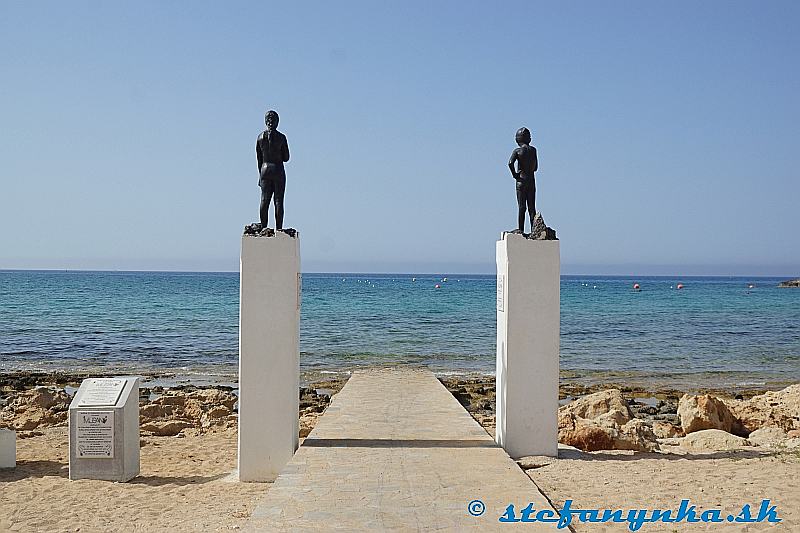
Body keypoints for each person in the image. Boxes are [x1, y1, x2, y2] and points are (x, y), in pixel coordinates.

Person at [256, 110, 290, 229]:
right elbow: (286, 158)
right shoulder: (281, 137)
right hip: (277, 169)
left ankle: (264, 227)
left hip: (265, 169)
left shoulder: (260, 137)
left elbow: (259, 159)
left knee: (264, 200)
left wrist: (260, 176)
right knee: (278, 201)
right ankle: (279, 228)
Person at [507, 127, 538, 233]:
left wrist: (515, 175)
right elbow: (536, 167)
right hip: (531, 180)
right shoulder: (533, 150)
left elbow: (510, 163)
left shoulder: (518, 151)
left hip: (521, 180)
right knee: (532, 207)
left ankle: (521, 229)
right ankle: (535, 230)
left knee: (521, 206)